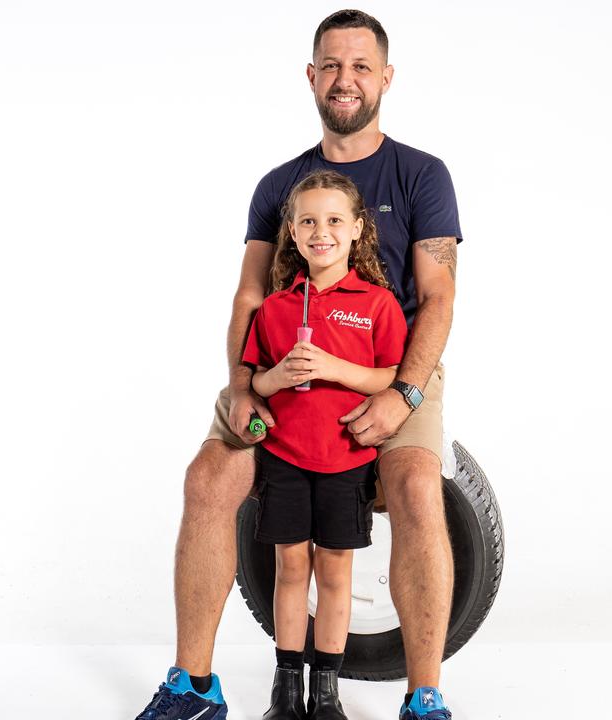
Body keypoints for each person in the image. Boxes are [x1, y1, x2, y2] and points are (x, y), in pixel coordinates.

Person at [135, 9, 460, 720]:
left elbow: (437, 297)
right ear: (312, 77)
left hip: (391, 364)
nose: (346, 80)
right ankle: (193, 687)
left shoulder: (421, 175)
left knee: (413, 487)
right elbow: (251, 294)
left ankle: (424, 696)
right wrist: (241, 387)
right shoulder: (279, 184)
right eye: (332, 66)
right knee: (210, 475)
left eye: (361, 66)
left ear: (386, 78)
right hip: (283, 367)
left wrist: (402, 394)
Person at [245, 170, 406, 720]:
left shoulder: (378, 303)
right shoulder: (275, 308)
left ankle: (327, 692)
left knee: (335, 573)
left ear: (358, 229)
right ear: (291, 232)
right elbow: (257, 382)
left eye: (335, 220)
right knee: (291, 571)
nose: (322, 232)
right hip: (286, 459)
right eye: (309, 221)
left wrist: (336, 367)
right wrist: (278, 377)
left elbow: (390, 378)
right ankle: (286, 691)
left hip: (346, 461)